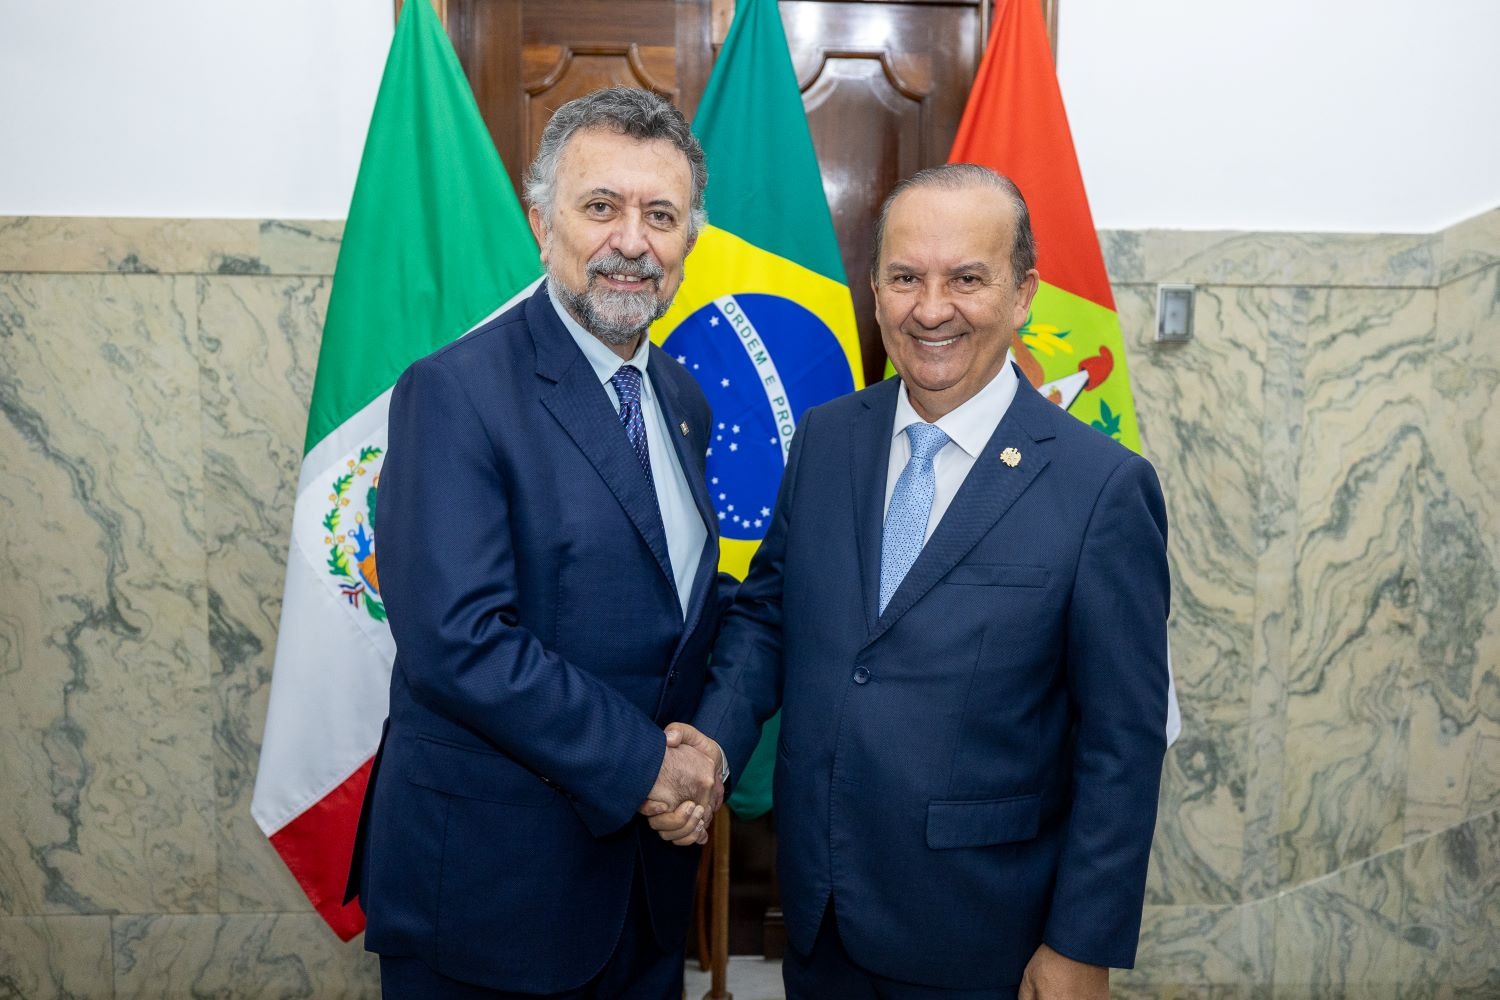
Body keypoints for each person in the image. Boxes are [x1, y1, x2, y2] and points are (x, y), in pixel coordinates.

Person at [653, 164, 1171, 999]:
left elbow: (1123, 743)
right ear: (876, 290)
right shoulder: (826, 439)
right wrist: (711, 742)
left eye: (966, 279)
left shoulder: (1102, 489)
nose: (931, 309)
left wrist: (1081, 943)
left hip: (983, 936)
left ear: (1023, 293)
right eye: (905, 278)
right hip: (821, 918)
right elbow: (768, 618)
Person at [346, 87, 728, 999]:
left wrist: (707, 747)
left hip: (643, 889)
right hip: (495, 897)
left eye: (661, 216)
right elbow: (459, 642)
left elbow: (678, 615)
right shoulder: (455, 393)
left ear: (689, 240)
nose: (632, 242)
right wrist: (649, 766)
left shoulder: (681, 397)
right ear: (541, 223)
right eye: (600, 207)